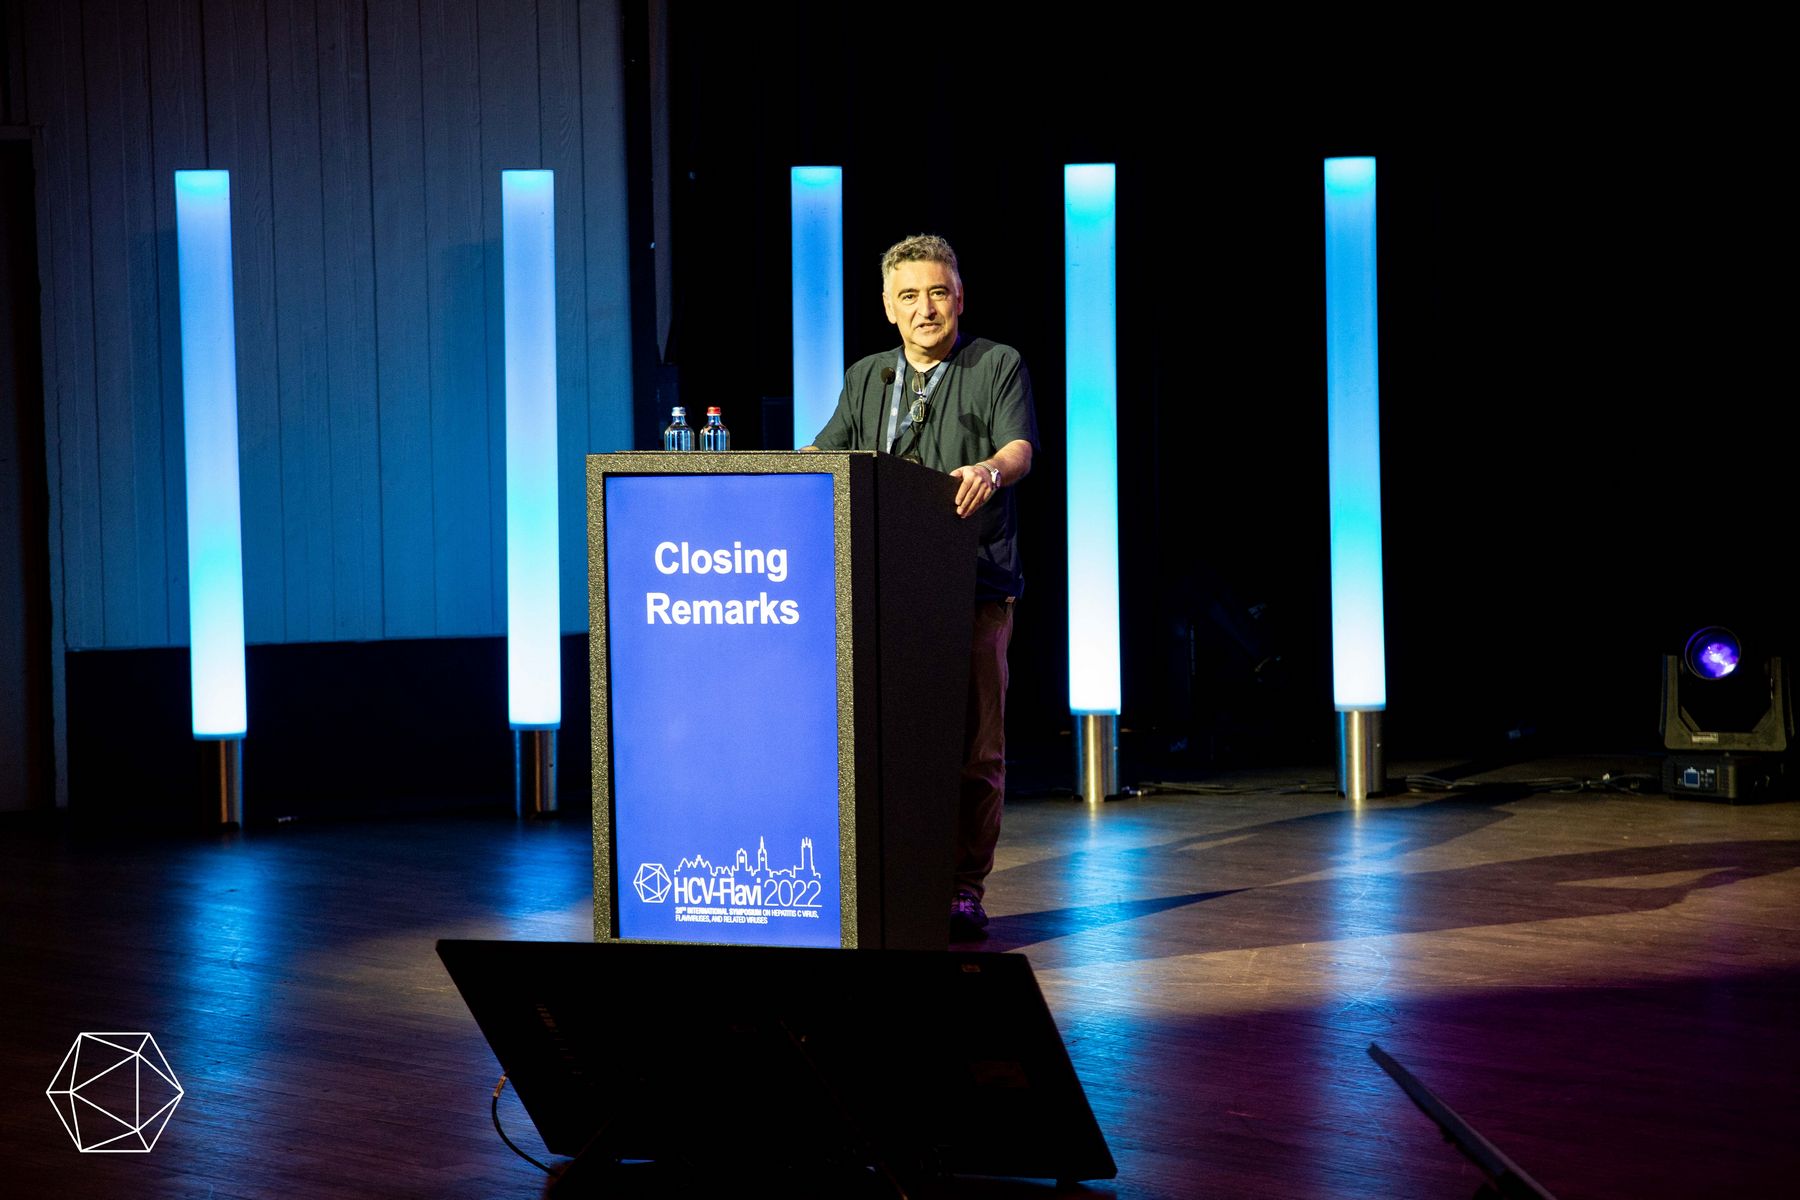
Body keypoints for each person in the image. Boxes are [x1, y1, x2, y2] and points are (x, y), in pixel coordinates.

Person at [802, 234, 1038, 940]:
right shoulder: (868, 377)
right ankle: (889, 883)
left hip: (975, 586)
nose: (925, 308)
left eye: (938, 293)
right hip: (883, 591)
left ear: (959, 298)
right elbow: (826, 455)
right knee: (883, 746)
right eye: (909, 296)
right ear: (888, 307)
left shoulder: (995, 363)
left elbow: (1018, 448)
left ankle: (964, 887)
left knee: (975, 750)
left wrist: (988, 471)